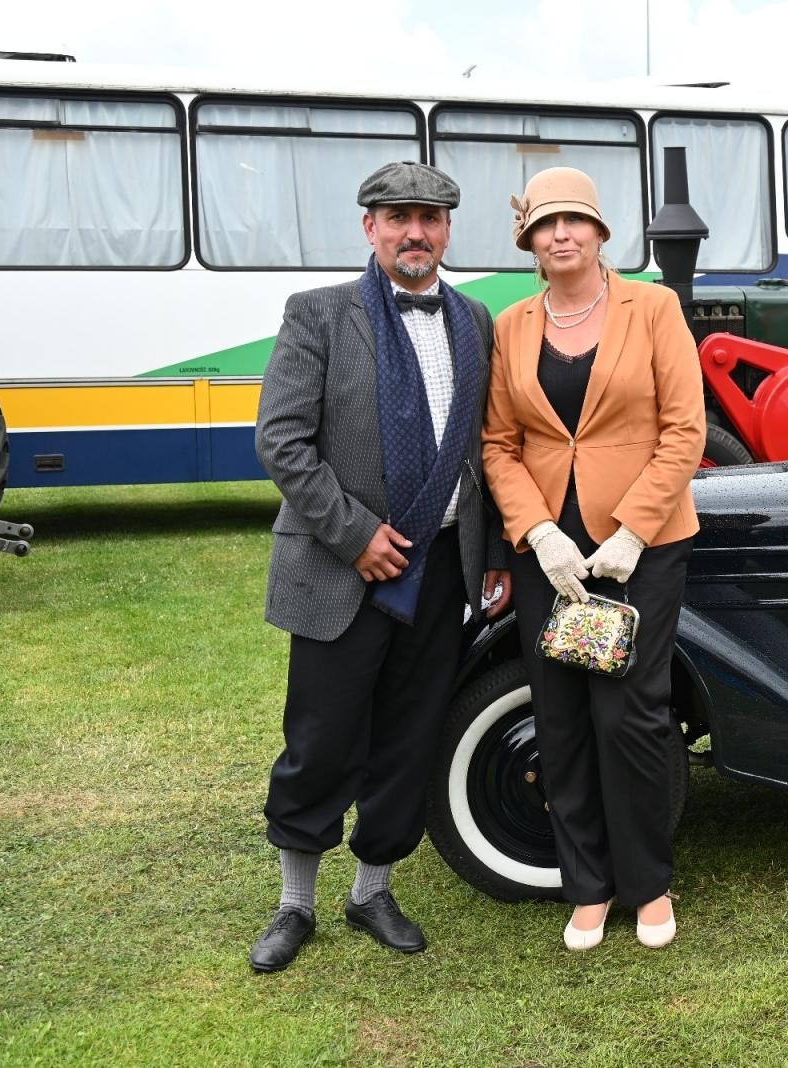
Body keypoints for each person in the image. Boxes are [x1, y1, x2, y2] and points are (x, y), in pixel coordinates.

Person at [249, 161, 512, 973]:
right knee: (322, 739)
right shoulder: (317, 315)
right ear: (370, 228)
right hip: (342, 569)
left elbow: (484, 453)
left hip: (440, 571)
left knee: (408, 735)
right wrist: (356, 535)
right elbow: (282, 443)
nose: (414, 232)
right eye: (398, 217)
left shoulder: (476, 321)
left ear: (446, 232)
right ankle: (296, 905)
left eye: (430, 219)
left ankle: (372, 892)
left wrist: (495, 551)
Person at [482, 167, 705, 951]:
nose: (563, 234)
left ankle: (647, 886)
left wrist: (634, 530)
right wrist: (538, 531)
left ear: (601, 232)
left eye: (576, 220)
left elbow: (685, 428)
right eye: (547, 225)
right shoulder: (509, 326)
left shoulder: (654, 308)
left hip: (636, 552)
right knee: (563, 716)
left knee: (632, 717)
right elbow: (499, 444)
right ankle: (587, 888)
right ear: (530, 241)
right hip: (555, 558)